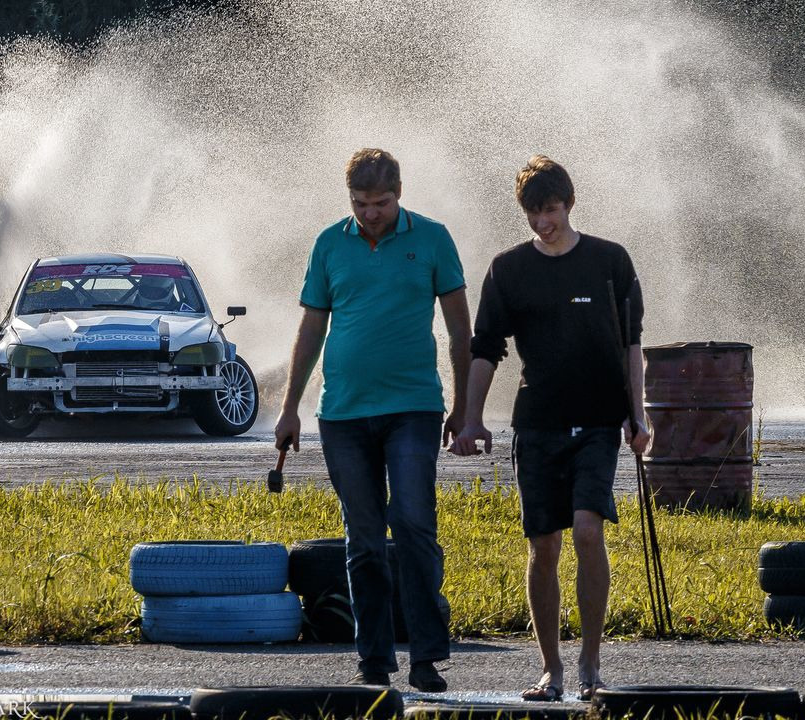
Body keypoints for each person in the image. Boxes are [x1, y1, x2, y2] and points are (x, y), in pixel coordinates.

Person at [450, 155, 649, 702]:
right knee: (544, 545)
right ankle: (551, 669)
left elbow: (631, 344)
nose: (544, 223)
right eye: (534, 214)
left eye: (552, 210)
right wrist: (471, 418)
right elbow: (486, 349)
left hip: (599, 420)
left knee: (587, 530)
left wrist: (639, 414)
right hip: (537, 423)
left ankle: (590, 664)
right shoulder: (508, 269)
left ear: (570, 203)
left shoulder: (609, 261)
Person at [275, 148, 472, 692]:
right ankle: (374, 662)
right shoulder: (329, 243)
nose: (370, 214)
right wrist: (290, 407)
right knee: (362, 538)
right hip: (342, 414)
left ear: (399, 194)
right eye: (360, 204)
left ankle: (427, 657)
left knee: (412, 524)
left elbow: (460, 331)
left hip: (413, 409)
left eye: (380, 203)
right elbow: (312, 328)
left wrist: (463, 407)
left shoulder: (432, 239)